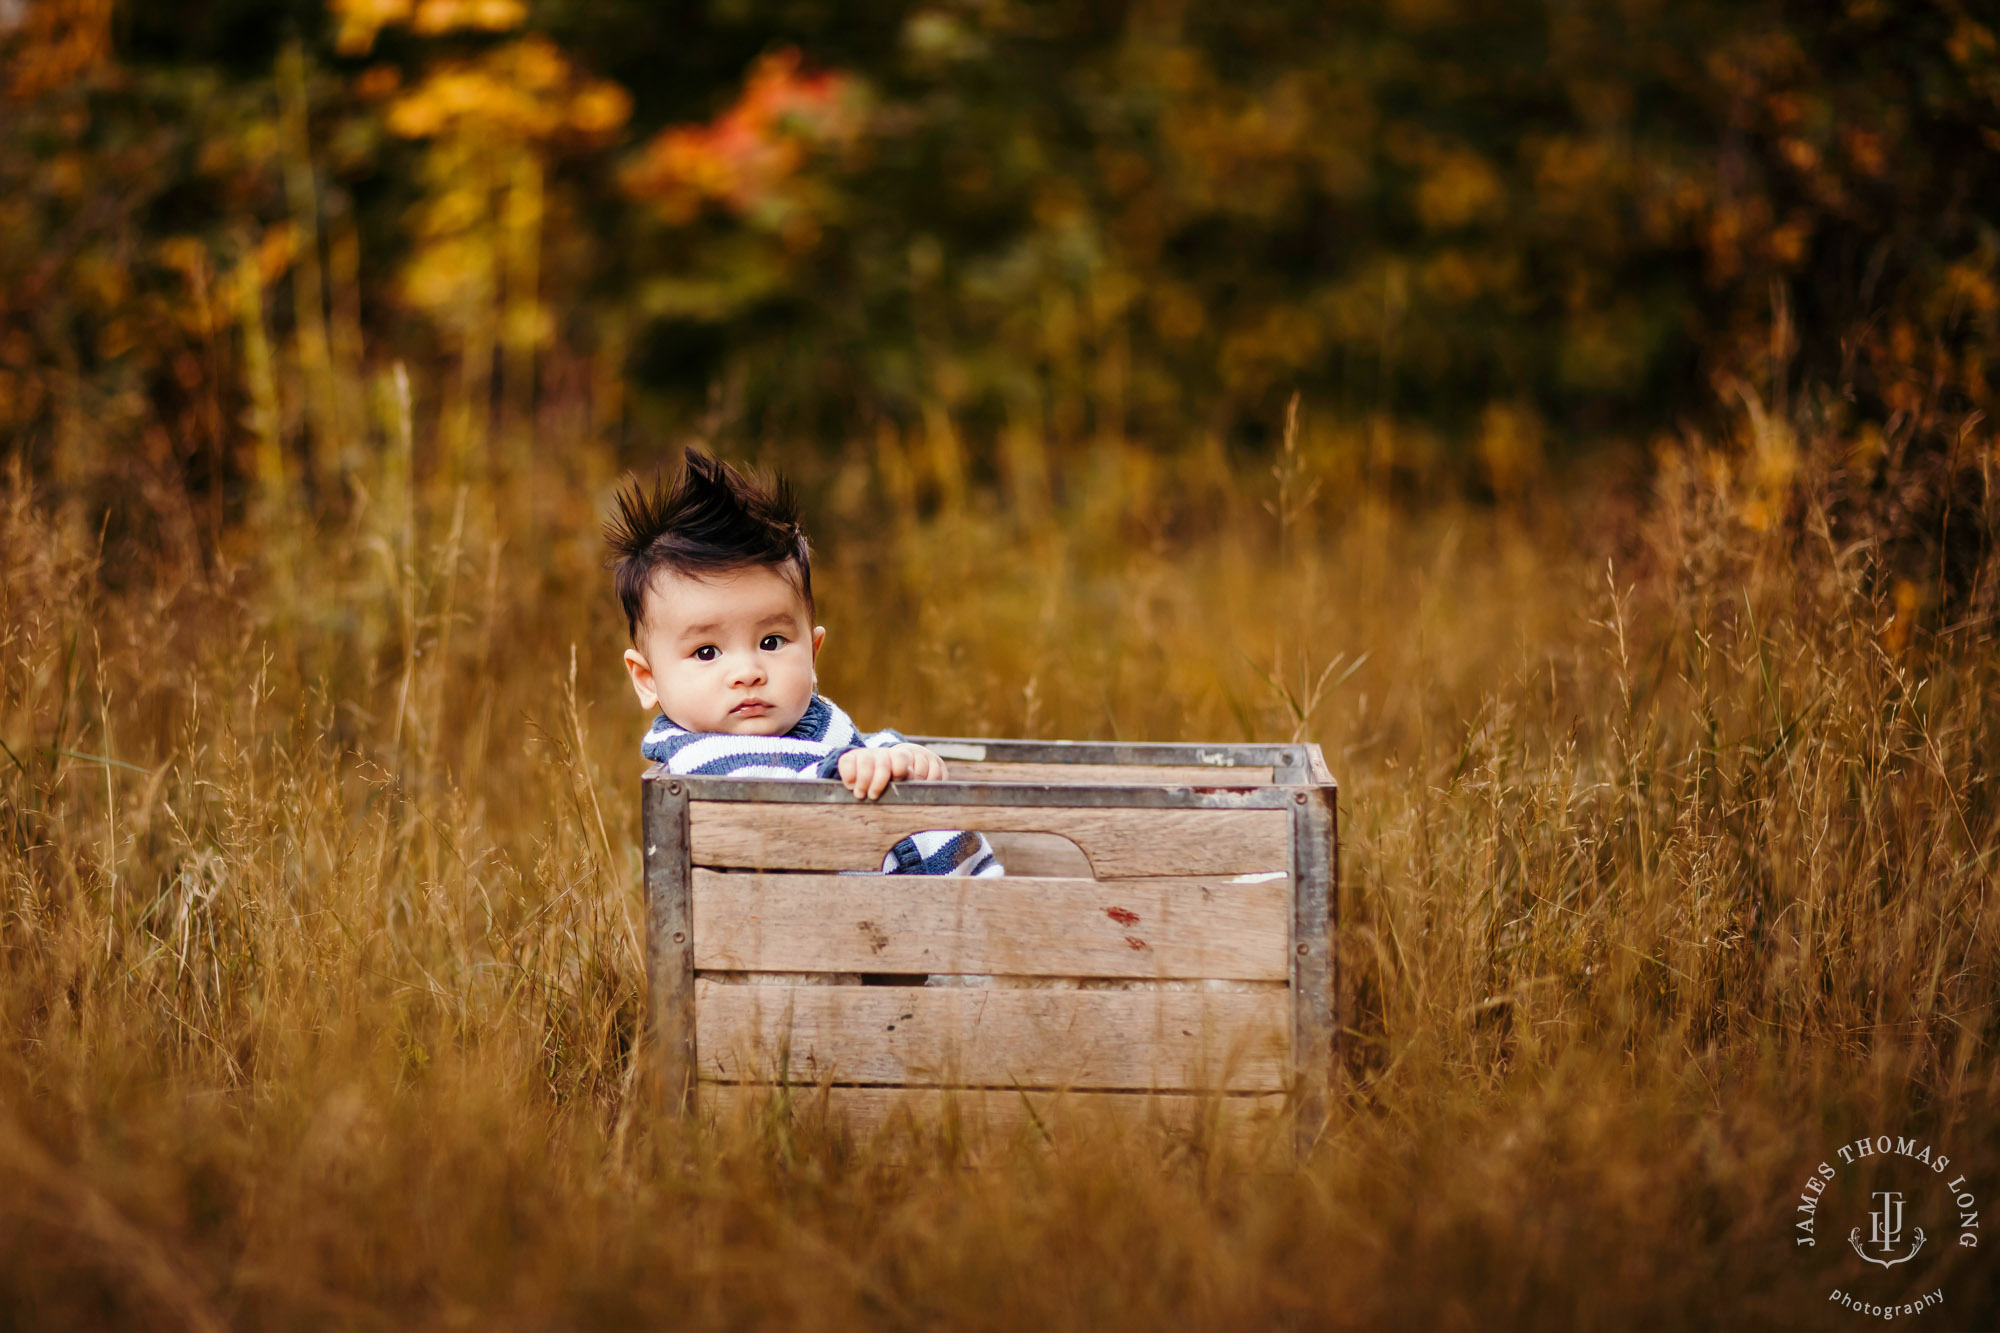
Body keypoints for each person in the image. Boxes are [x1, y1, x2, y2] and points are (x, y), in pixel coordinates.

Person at [605, 446, 1001, 878]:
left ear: (812, 655)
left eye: (772, 641)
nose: (747, 673)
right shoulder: (698, 759)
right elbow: (772, 789)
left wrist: (894, 753)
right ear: (648, 680)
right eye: (707, 652)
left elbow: (855, 743)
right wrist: (842, 770)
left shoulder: (807, 718)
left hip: (942, 909)